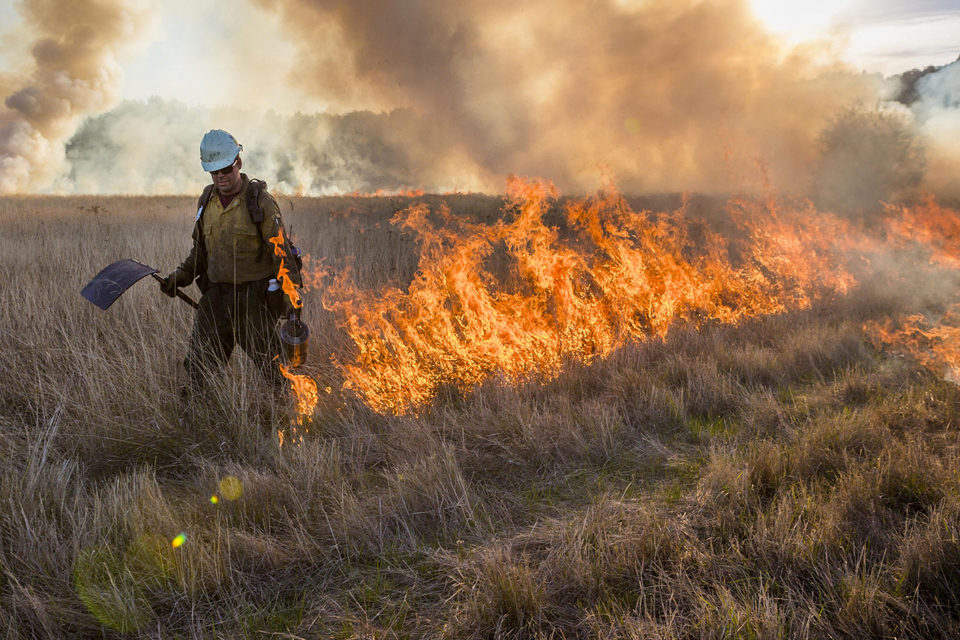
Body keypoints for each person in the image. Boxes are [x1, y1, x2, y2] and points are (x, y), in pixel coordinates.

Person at [160, 129, 301, 394]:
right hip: (215, 298)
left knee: (275, 371)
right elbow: (201, 251)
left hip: (254, 300)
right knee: (198, 370)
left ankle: (289, 416)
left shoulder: (259, 201)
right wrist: (180, 276)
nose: (220, 177)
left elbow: (281, 253)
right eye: (214, 172)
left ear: (238, 162)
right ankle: (197, 420)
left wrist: (290, 300)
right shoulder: (206, 200)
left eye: (225, 169)